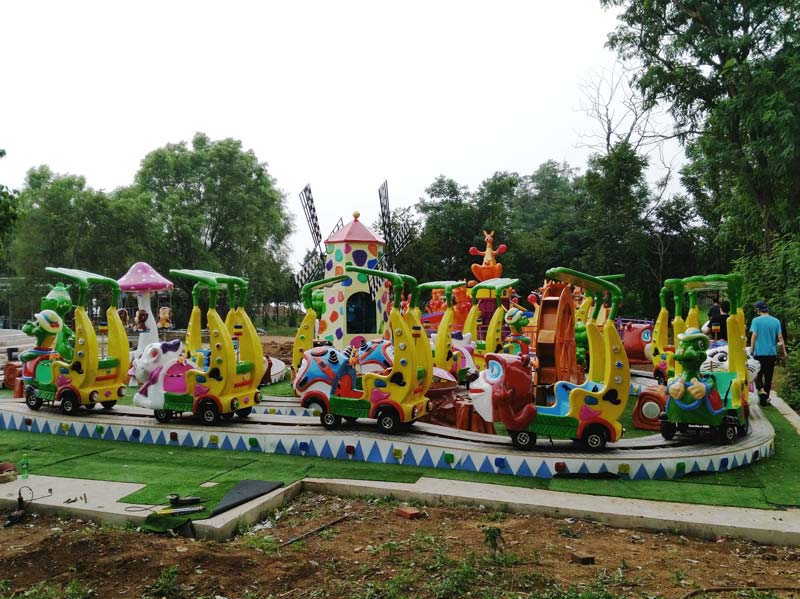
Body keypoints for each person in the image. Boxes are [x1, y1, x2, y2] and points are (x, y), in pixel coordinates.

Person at [749, 301, 787, 406]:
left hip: (759, 352)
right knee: (768, 376)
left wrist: (751, 349)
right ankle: (764, 400)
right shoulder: (776, 321)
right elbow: (780, 338)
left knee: (757, 374)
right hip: (771, 353)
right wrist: (784, 351)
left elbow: (754, 335)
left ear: (758, 310)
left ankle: (761, 390)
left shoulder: (756, 320)